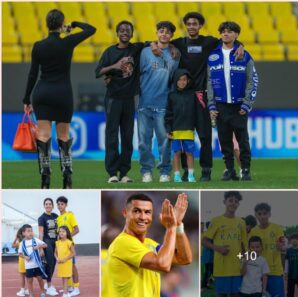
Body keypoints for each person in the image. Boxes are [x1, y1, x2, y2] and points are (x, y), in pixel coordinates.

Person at [157, 12, 243, 182]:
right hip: (184, 97)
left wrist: (240, 45)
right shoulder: (179, 43)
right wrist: (153, 44)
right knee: (183, 135)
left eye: (194, 23)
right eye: (188, 24)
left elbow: (228, 41)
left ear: (200, 25)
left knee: (205, 136)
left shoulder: (208, 42)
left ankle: (206, 170)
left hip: (202, 95)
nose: (191, 26)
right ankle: (186, 172)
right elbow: (162, 42)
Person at [22, 9, 96, 189]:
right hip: (62, 94)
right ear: (61, 25)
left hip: (43, 93)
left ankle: (45, 177)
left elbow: (33, 74)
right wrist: (74, 25)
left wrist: (26, 99)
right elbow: (91, 29)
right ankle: (67, 177)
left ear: (47, 24)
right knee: (63, 136)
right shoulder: (68, 42)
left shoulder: (38, 46)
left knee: (43, 135)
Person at [101, 193, 192, 297]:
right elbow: (163, 265)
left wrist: (178, 225)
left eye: (147, 212)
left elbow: (184, 259)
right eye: (137, 211)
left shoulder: (149, 244)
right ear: (125, 213)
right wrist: (171, 227)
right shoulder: (122, 243)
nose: (143, 217)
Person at [207, 21, 258, 181]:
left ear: (236, 35)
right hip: (220, 105)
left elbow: (253, 80)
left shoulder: (245, 55)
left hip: (239, 106)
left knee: (243, 140)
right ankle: (230, 170)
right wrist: (211, 104)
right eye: (223, 31)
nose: (226, 34)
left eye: (229, 31)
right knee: (224, 140)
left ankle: (245, 169)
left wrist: (247, 103)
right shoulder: (212, 56)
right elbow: (208, 82)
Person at [95, 21, 144, 183]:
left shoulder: (136, 49)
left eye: (128, 30)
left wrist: (168, 47)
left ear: (131, 33)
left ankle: (124, 173)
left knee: (128, 136)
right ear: (117, 33)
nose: (124, 32)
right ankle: (112, 173)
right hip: (113, 98)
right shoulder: (110, 51)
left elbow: (153, 43)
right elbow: (98, 72)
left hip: (129, 99)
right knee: (111, 135)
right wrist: (114, 66)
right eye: (121, 30)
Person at [138, 21, 180, 183]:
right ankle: (146, 171)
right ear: (156, 33)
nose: (164, 34)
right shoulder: (145, 52)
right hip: (144, 104)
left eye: (167, 32)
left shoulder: (176, 54)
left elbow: (175, 79)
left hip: (164, 104)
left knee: (164, 141)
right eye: (161, 31)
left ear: (171, 36)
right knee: (144, 141)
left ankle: (164, 171)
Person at [202, 191, 247, 297]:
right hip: (221, 269)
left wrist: (244, 264)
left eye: (236, 201)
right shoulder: (216, 221)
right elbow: (204, 241)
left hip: (237, 269)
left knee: (235, 295)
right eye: (230, 200)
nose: (233, 203)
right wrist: (218, 248)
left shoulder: (241, 222)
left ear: (238, 204)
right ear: (224, 202)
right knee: (221, 296)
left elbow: (244, 247)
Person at [164, 69, 196, 183]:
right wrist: (168, 129)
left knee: (189, 153)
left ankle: (191, 175)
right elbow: (168, 114)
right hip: (175, 130)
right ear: (175, 81)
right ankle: (177, 176)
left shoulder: (192, 95)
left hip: (188, 129)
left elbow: (196, 113)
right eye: (179, 80)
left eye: (184, 80)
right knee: (176, 153)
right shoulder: (171, 96)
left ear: (188, 81)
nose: (182, 82)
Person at [249, 203, 285, 297]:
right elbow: (251, 251)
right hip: (259, 273)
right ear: (256, 215)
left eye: (265, 213)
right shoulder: (253, 231)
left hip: (275, 272)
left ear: (269, 214)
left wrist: (281, 247)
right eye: (259, 214)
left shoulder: (277, 228)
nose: (262, 216)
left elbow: (282, 247)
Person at [56, 196, 80, 296]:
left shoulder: (70, 215)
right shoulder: (58, 218)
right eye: (58, 204)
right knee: (66, 267)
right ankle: (69, 287)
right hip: (61, 247)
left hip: (69, 246)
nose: (60, 206)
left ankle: (76, 288)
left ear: (66, 205)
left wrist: (67, 238)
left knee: (73, 267)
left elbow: (77, 229)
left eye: (62, 204)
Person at [18, 224, 48, 297]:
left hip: (37, 264)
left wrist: (38, 246)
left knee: (40, 279)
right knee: (29, 280)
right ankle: (31, 295)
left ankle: (43, 292)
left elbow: (45, 245)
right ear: (23, 233)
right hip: (28, 266)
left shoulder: (35, 240)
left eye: (31, 231)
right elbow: (20, 254)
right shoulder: (22, 243)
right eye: (28, 231)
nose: (30, 233)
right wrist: (25, 257)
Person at [38, 198, 58, 296]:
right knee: (49, 263)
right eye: (46, 204)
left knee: (54, 263)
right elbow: (40, 233)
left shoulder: (56, 216)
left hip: (56, 242)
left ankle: (47, 283)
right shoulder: (41, 218)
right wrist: (41, 247)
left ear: (52, 205)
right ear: (44, 206)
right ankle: (49, 287)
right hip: (47, 242)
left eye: (50, 204)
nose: (48, 205)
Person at [55, 226, 76, 297]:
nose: (61, 233)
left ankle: (65, 294)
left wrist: (65, 259)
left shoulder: (69, 242)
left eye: (63, 231)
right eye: (60, 231)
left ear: (67, 233)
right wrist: (57, 258)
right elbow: (55, 253)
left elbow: (73, 253)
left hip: (66, 263)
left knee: (65, 279)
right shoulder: (57, 242)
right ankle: (66, 294)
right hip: (60, 263)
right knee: (63, 278)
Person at [12, 226, 29, 297]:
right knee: (28, 276)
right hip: (28, 260)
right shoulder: (28, 240)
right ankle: (28, 290)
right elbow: (13, 246)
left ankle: (22, 290)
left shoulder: (20, 241)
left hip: (23, 260)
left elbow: (13, 245)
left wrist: (16, 238)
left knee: (22, 276)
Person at [285, 233, 298, 297]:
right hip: (291, 275)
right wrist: (286, 273)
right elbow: (286, 262)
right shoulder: (289, 250)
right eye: (293, 239)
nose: (294, 240)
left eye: (296, 239)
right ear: (290, 241)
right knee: (290, 293)